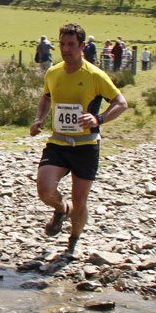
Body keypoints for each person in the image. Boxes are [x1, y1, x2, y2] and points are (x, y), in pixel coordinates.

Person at [30, 23, 128, 255]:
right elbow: (46, 98)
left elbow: (121, 103)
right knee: (44, 190)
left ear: (82, 46)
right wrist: (38, 118)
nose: (65, 49)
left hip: (86, 147)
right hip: (58, 143)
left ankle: (73, 239)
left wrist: (99, 119)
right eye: (62, 44)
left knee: (80, 203)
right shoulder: (53, 72)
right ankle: (60, 209)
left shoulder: (95, 75)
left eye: (71, 45)